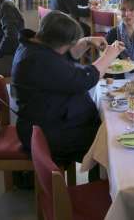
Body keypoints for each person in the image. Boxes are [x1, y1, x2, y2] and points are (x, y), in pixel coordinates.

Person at [13, 11, 124, 164]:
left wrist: (87, 41)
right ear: (56, 42)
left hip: (48, 118)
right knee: (109, 139)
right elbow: (84, 79)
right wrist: (108, 56)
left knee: (106, 124)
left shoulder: (35, 44)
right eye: (69, 44)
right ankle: (102, 184)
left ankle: (100, 177)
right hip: (48, 131)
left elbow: (64, 55)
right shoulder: (39, 61)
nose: (69, 48)